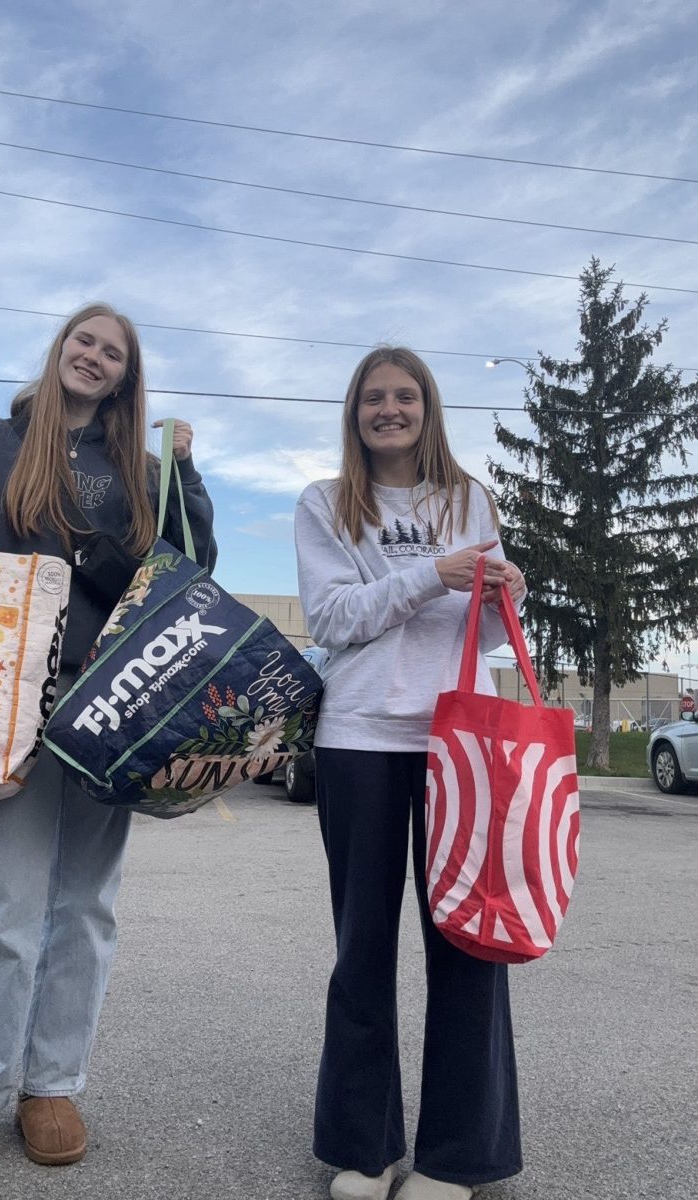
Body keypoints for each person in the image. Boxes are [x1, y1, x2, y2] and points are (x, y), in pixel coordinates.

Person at [0, 302, 217, 1175]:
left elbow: (191, 566)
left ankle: (50, 1084)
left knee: (83, 908)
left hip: (112, 704)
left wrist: (183, 471)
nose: (95, 357)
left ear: (126, 375)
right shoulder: (1, 442)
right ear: (61, 349)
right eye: (85, 340)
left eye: (113, 352)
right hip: (11, 701)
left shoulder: (136, 465)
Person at [294, 347, 526, 1200]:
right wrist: (435, 572)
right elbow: (331, 619)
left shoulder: (471, 500)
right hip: (359, 736)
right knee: (363, 946)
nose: (389, 410)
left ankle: (459, 1156)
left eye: (405, 397)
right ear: (355, 413)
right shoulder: (326, 503)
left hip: (459, 740)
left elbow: (483, 635)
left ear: (428, 408)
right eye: (373, 398)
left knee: (469, 942)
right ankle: (363, 1145)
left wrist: (507, 598)